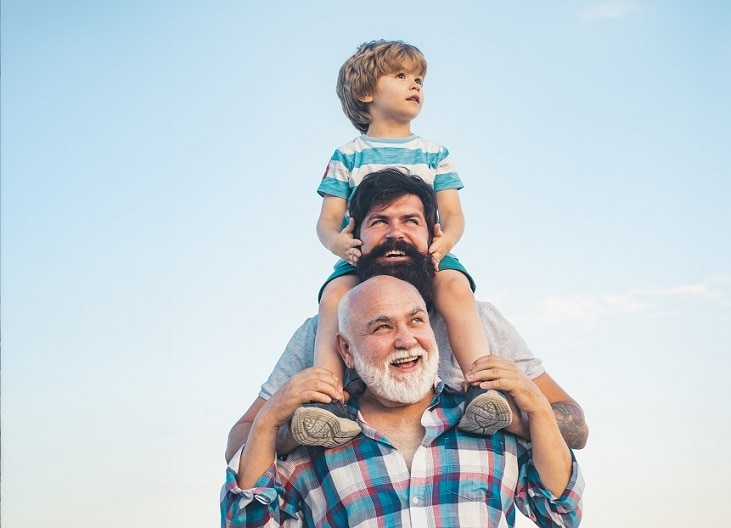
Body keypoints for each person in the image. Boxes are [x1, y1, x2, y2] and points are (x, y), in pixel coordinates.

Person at [226, 169, 589, 461]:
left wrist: (517, 415)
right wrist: (289, 427)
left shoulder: (481, 322)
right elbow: (236, 446)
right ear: (356, 237)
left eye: (410, 221)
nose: (395, 233)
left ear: (434, 234)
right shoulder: (321, 332)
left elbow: (577, 428)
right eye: (379, 222)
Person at [221, 275, 584, 528]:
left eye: (416, 321)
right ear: (346, 350)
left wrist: (536, 406)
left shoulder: (490, 423)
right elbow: (247, 522)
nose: (406, 340)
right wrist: (268, 419)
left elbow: (560, 514)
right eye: (382, 327)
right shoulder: (312, 446)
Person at [301, 39, 509, 446]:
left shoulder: (434, 152)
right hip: (364, 257)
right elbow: (327, 220)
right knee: (333, 299)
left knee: (456, 288)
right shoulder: (347, 155)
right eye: (400, 76)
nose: (415, 85)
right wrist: (338, 245)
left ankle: (481, 389)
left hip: (426, 253)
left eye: (418, 79)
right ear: (366, 93)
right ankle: (326, 402)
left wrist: (444, 242)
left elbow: (452, 213)